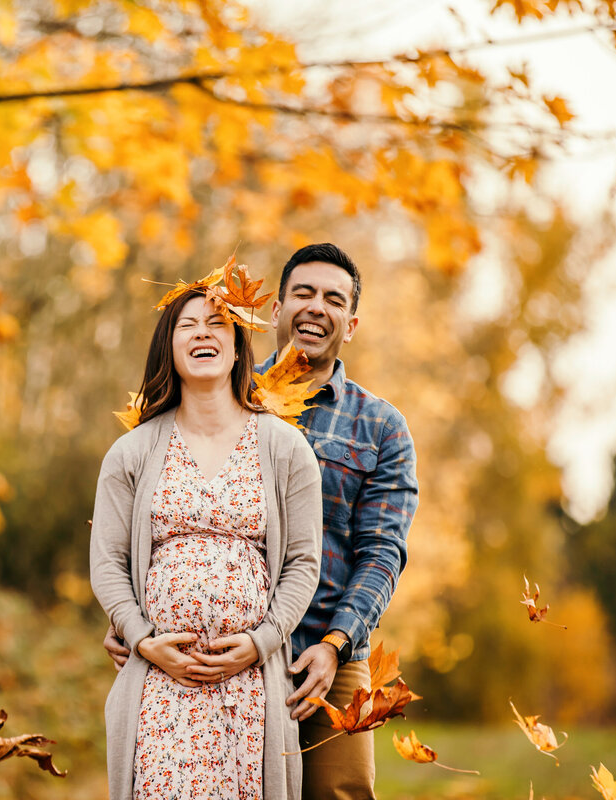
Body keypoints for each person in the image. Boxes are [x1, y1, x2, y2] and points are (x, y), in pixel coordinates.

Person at [105, 244, 419, 800]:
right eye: (302, 293)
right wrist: (131, 617)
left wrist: (337, 643)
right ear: (276, 310)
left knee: (341, 793)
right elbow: (138, 521)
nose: (315, 307)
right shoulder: (214, 383)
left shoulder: (380, 427)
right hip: (207, 654)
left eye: (333, 299)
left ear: (351, 323)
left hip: (321, 650)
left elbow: (382, 552)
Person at [89, 286, 323, 800]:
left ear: (238, 348)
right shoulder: (131, 452)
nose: (202, 333)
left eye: (217, 324)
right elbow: (107, 562)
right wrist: (142, 639)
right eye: (186, 325)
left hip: (251, 688)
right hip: (160, 689)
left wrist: (261, 642)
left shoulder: (286, 448)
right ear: (168, 347)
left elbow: (304, 563)